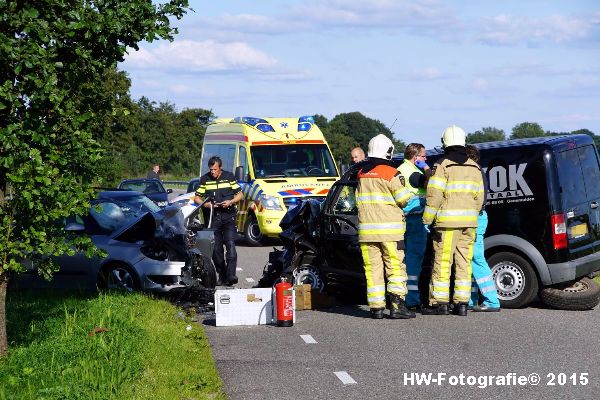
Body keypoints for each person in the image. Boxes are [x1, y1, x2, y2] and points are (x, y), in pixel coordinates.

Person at [421, 125, 484, 316]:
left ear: (445, 143)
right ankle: (462, 303)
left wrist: (427, 219)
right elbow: (479, 198)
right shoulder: (474, 167)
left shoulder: (442, 165)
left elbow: (434, 196)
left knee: (443, 262)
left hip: (447, 224)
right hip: (469, 223)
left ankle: (440, 303)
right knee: (464, 263)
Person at [356, 134, 415, 319]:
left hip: (367, 232)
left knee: (372, 270)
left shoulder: (362, 174)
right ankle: (397, 306)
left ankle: (376, 308)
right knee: (395, 268)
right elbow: (404, 199)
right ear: (388, 152)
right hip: (390, 232)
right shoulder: (391, 173)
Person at [194, 156, 243, 286]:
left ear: (220, 168)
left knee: (230, 245)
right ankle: (222, 274)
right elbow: (197, 198)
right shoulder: (205, 179)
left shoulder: (229, 176)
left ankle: (231, 275)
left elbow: (240, 195)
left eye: (215, 169)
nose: (213, 172)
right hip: (213, 218)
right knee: (216, 249)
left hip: (228, 216)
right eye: (211, 170)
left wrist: (230, 201)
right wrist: (206, 205)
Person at [465, 145, 501, 312]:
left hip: (475, 218)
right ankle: (471, 300)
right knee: (469, 259)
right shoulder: (478, 170)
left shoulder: (473, 171)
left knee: (476, 258)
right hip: (478, 217)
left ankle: (492, 301)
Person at [397, 143, 432, 310]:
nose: (426, 159)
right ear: (415, 157)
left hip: (403, 218)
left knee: (404, 258)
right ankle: (412, 299)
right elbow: (430, 184)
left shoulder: (400, 169)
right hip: (416, 219)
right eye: (423, 156)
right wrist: (426, 168)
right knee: (414, 259)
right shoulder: (412, 172)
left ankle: (405, 295)